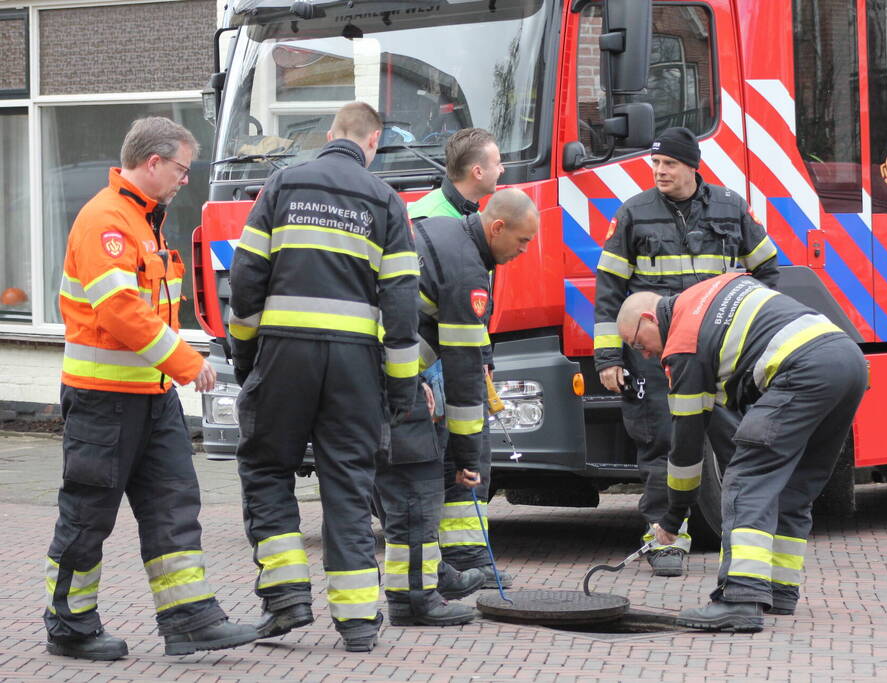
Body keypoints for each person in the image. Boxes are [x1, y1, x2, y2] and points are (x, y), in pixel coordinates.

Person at [44, 117, 258, 660]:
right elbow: (118, 311)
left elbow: (147, 311)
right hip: (103, 398)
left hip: (151, 395)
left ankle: (190, 619)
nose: (186, 179)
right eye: (182, 168)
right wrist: (185, 361)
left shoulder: (145, 222)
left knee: (173, 505)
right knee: (89, 512)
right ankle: (69, 625)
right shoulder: (108, 221)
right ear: (154, 163)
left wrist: (178, 359)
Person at [228, 102, 420, 653]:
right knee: (349, 482)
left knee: (266, 468)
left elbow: (245, 283)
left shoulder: (283, 183)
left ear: (330, 134)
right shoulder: (386, 200)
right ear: (374, 142)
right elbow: (402, 306)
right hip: (355, 367)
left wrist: (248, 361)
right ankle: (358, 623)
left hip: (284, 358)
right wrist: (401, 387)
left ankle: (286, 599)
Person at [616, 273, 867, 632]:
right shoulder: (706, 296)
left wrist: (673, 517)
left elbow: (686, 446)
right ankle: (780, 589)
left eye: (637, 343)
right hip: (847, 361)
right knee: (795, 487)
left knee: (746, 481)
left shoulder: (684, 344)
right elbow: (727, 423)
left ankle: (740, 598)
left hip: (803, 369)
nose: (644, 354)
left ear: (649, 319)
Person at [593, 126, 780, 576]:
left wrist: (750, 331)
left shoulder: (731, 207)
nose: (660, 172)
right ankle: (666, 540)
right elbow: (608, 291)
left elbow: (768, 269)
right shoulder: (635, 213)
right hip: (656, 353)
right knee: (661, 442)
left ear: (692, 166)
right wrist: (609, 357)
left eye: (670, 164)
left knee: (735, 444)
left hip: (718, 353)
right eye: (655, 164)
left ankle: (744, 541)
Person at [394, 189, 539, 600]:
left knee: (408, 478)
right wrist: (469, 456)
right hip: (385, 374)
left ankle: (445, 568)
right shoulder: (467, 269)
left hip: (380, 369)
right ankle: (419, 591)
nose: (524, 251)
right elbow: (463, 373)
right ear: (496, 228)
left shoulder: (447, 232)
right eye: (522, 241)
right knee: (416, 476)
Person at [407, 128, 504, 220]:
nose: (502, 169)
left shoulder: (471, 213)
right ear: (478, 172)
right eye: (497, 164)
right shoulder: (426, 222)